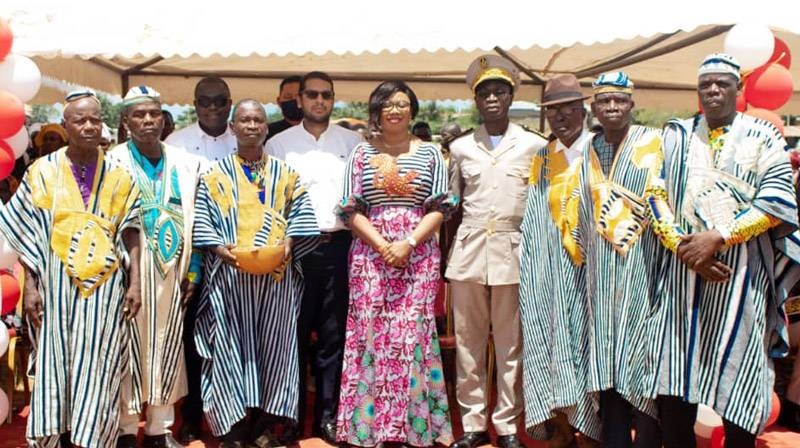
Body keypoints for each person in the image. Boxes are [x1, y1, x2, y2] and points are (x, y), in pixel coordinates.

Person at [645, 53, 800, 447]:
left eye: (722, 84)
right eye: (705, 84)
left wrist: (718, 237)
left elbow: (776, 202)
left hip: (742, 278)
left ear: (739, 89)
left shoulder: (763, 136)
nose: (713, 90)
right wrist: (683, 246)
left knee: (741, 379)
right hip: (683, 277)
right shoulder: (675, 135)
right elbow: (655, 194)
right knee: (676, 378)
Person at [0, 89, 142, 447]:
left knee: (101, 363)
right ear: (66, 125)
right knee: (55, 362)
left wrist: (136, 283)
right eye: (80, 120)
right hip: (54, 288)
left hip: (105, 290)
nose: (89, 125)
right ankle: (57, 435)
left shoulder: (120, 175)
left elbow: (132, 233)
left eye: (95, 118)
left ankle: (94, 437)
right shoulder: (42, 172)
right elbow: (28, 233)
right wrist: (30, 286)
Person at [193, 99, 320, 448]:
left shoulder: (286, 173)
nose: (251, 126)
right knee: (229, 351)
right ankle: (232, 427)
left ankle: (267, 425)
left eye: (258, 120)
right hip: (230, 283)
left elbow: (301, 218)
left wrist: (289, 244)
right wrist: (222, 250)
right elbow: (202, 223)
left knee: (275, 352)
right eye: (244, 120)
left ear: (266, 127)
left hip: (275, 282)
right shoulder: (213, 175)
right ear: (233, 127)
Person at [335, 80, 456, 447]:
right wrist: (382, 244)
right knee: (370, 334)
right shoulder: (360, 154)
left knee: (411, 335)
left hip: (417, 255)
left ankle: (412, 427)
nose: (396, 110)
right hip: (369, 252)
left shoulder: (432, 154)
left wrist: (409, 242)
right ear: (377, 110)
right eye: (388, 104)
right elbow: (349, 209)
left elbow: (441, 208)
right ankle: (368, 427)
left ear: (413, 110)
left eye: (403, 103)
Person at [445, 55, 546, 448]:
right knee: (468, 345)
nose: (491, 98)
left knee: (511, 346)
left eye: (499, 91)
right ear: (475, 100)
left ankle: (506, 425)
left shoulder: (535, 146)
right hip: (469, 252)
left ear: (510, 96)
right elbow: (451, 206)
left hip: (514, 251)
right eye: (483, 92)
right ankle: (472, 422)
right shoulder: (460, 147)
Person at [265, 71, 362, 444]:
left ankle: (328, 417)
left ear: (333, 99)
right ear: (300, 100)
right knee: (292, 336)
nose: (319, 101)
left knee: (333, 339)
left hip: (339, 247)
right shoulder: (280, 144)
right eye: (312, 94)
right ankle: (289, 418)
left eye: (326, 95)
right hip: (295, 251)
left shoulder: (353, 143)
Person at [109, 86, 202, 448]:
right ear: (125, 121)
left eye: (154, 114)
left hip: (172, 273)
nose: (148, 121)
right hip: (128, 274)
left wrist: (193, 269)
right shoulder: (113, 162)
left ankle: (160, 429)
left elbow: (197, 219)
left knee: (166, 345)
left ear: (164, 118)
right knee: (127, 347)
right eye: (139, 115)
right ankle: (127, 428)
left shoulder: (184, 162)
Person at [580, 72, 664, 446]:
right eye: (604, 101)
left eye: (619, 100)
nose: (611, 107)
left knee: (642, 361)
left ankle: (645, 439)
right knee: (606, 363)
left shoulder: (654, 144)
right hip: (598, 280)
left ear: (632, 103)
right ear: (593, 107)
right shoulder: (587, 151)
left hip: (644, 276)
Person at [517, 74, 599, 448]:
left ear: (583, 109)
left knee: (588, 343)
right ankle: (563, 429)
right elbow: (534, 217)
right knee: (548, 341)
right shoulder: (544, 158)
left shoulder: (601, 151)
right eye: (553, 111)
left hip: (592, 269)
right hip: (550, 268)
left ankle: (593, 429)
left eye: (568, 108)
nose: (561, 117)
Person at [165, 76, 237, 442]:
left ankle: (233, 416)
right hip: (191, 256)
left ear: (230, 103)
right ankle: (191, 414)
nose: (212, 107)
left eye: (219, 101)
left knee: (233, 338)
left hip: (237, 257)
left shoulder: (247, 137)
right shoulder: (174, 144)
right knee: (192, 338)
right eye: (204, 101)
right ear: (194, 104)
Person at [266, 75, 303, 141]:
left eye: (300, 97)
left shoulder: (321, 132)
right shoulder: (266, 133)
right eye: (288, 97)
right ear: (279, 102)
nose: (295, 100)